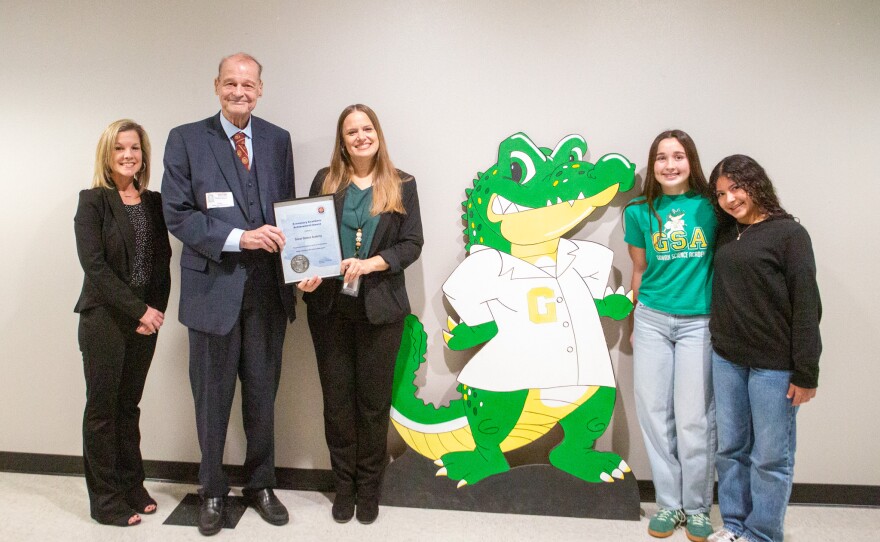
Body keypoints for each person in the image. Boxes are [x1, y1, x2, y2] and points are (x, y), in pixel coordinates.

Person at [161, 53, 296, 536]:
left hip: (267, 294)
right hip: (212, 291)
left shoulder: (279, 140)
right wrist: (241, 238)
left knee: (263, 395)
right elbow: (177, 215)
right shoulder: (186, 139)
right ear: (216, 85)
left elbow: (288, 214)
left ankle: (260, 484)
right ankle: (212, 489)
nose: (240, 92)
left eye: (249, 84)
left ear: (261, 88)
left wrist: (305, 264)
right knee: (212, 398)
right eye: (231, 83)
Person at [297, 104, 423, 524]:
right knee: (337, 404)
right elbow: (308, 238)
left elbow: (411, 244)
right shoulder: (326, 180)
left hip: (380, 310)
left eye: (367, 128)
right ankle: (344, 486)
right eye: (352, 131)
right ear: (343, 139)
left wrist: (371, 264)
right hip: (330, 309)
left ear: (378, 133)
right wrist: (308, 274)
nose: (361, 136)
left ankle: (369, 487)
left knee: (372, 405)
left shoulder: (402, 184)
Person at [706, 155, 821, 542]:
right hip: (728, 360)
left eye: (736, 188)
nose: (730, 199)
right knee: (731, 449)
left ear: (756, 184)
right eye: (721, 193)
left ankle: (763, 533)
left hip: (774, 367)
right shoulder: (727, 233)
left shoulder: (789, 234)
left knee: (770, 457)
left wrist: (806, 372)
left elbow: (807, 305)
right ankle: (735, 524)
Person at [74, 119, 171, 527]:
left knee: (128, 408)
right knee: (102, 411)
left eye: (134, 148)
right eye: (119, 148)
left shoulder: (155, 202)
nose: (128, 155)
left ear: (143, 155)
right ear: (107, 155)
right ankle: (107, 500)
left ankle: (133, 485)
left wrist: (155, 315)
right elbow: (94, 267)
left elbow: (162, 264)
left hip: (145, 323)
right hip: (104, 320)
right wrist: (138, 311)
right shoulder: (93, 201)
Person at [623, 130, 717, 541]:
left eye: (678, 156)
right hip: (652, 321)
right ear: (653, 165)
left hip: (700, 322)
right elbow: (640, 271)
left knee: (694, 418)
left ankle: (697, 508)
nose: (670, 164)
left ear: (691, 162)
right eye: (661, 157)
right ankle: (669, 504)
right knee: (655, 416)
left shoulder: (712, 208)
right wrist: (631, 323)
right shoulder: (639, 212)